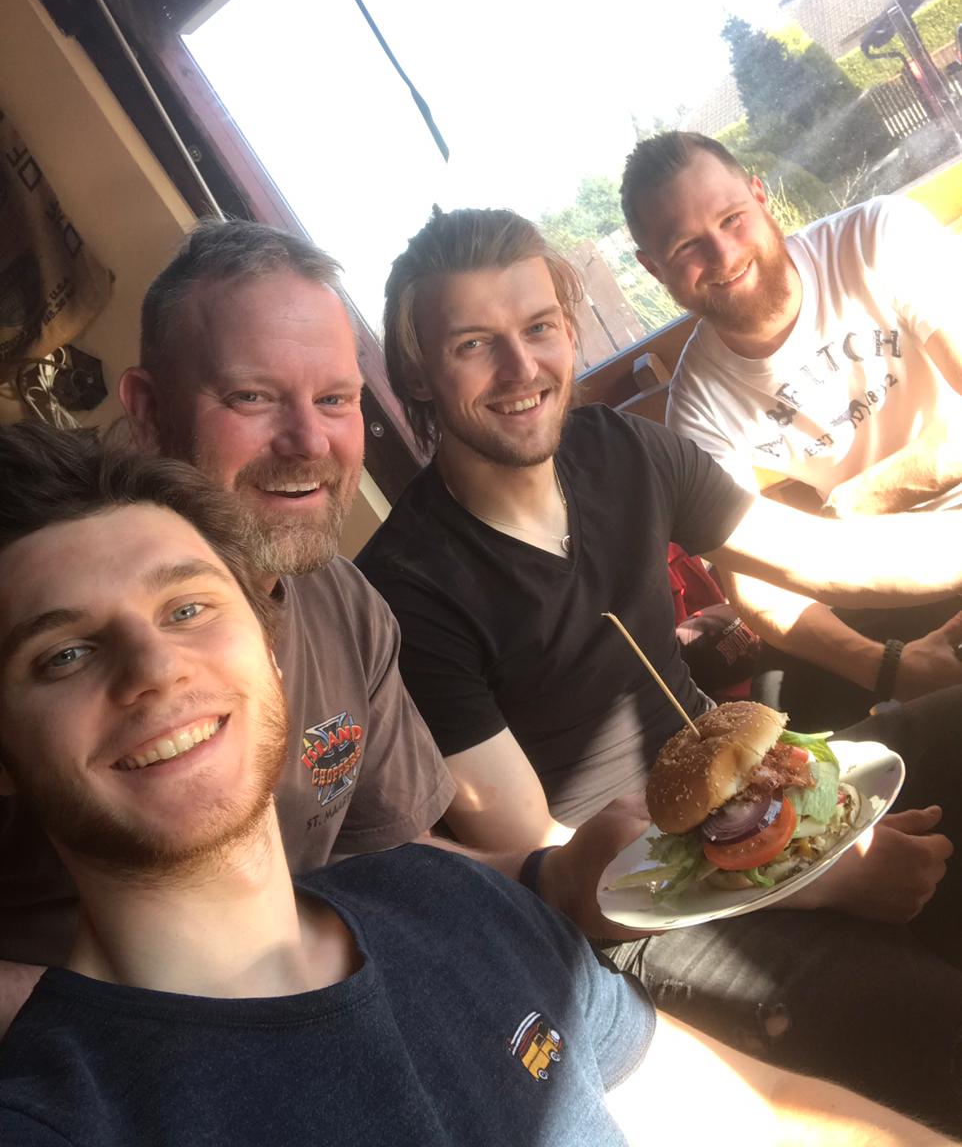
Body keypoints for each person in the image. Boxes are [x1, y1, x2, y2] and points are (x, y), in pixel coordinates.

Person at [0, 426, 946, 1147]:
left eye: (188, 608)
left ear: (272, 652)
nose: (155, 670)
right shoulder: (60, 1117)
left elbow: (763, 1116)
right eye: (64, 654)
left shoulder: (450, 898)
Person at [356, 203, 961, 1131]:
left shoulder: (621, 449)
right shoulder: (406, 590)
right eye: (474, 345)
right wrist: (823, 872)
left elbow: (823, 557)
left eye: (539, 328)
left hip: (762, 794)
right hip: (641, 906)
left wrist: (806, 834)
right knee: (926, 1019)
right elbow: (553, 856)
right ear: (418, 376)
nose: (521, 369)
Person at [0, 220, 646, 1031]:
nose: (308, 442)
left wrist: (558, 876)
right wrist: (116, 1028)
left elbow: (394, 856)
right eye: (253, 397)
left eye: (335, 399)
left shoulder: (344, 602)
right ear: (150, 411)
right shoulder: (30, 646)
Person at [620, 130, 962, 729]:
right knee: (785, 707)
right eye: (686, 246)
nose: (723, 255)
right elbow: (757, 591)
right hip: (865, 571)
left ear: (760, 196)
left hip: (909, 532)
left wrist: (857, 501)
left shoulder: (877, 240)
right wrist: (892, 669)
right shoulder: (697, 407)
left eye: (732, 219)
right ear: (653, 268)